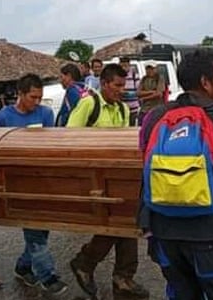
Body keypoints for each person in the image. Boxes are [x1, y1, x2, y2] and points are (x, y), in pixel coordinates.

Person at [140, 50, 213, 300]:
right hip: (212, 234)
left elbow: (146, 167)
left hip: (164, 234)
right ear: (205, 82)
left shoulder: (153, 118)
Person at [68, 64, 149, 299]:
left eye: (123, 86)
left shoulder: (124, 110)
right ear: (104, 84)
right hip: (92, 177)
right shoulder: (89, 104)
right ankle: (94, 266)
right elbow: (69, 136)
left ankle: (118, 275)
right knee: (120, 222)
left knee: (127, 221)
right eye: (117, 85)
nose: (121, 90)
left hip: (115, 176)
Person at [0, 73, 68, 296]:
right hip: (17, 181)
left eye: (40, 97)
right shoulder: (2, 117)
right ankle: (48, 276)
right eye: (33, 97)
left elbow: (50, 146)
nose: (37, 102)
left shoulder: (46, 113)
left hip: (42, 180)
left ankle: (24, 266)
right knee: (35, 230)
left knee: (41, 229)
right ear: (20, 94)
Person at [119, 56, 140, 126]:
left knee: (131, 127)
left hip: (133, 109)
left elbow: (139, 91)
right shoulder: (117, 76)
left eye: (125, 65)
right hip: (120, 108)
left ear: (129, 65)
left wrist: (127, 93)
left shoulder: (134, 75)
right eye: (122, 66)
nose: (123, 68)